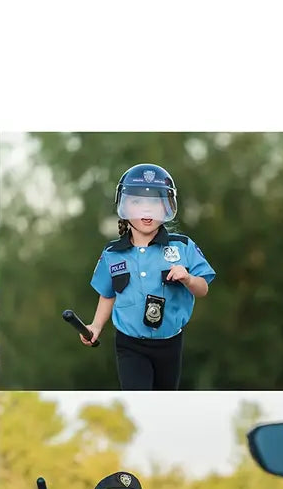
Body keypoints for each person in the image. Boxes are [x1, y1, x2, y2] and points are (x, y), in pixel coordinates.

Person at [81, 163, 216, 390]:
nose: (146, 210)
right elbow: (107, 294)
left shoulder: (183, 246)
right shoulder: (112, 254)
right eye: (137, 202)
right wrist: (95, 326)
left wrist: (188, 279)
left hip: (170, 343)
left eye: (154, 202)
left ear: (167, 207)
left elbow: (203, 288)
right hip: (130, 344)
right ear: (124, 206)